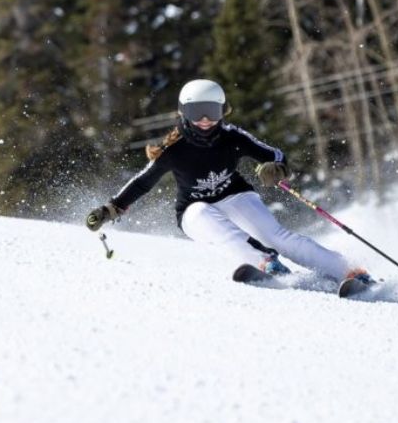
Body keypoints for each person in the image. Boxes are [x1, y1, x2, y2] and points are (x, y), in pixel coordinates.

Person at [85, 78, 372, 284]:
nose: (206, 119)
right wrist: (111, 209)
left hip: (235, 196)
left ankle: (347, 271)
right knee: (202, 214)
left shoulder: (232, 137)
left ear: (223, 111)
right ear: (183, 112)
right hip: (193, 212)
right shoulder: (173, 150)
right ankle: (264, 262)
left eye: (213, 111)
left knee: (277, 236)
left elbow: (276, 155)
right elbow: (141, 182)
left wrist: (275, 168)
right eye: (197, 112)